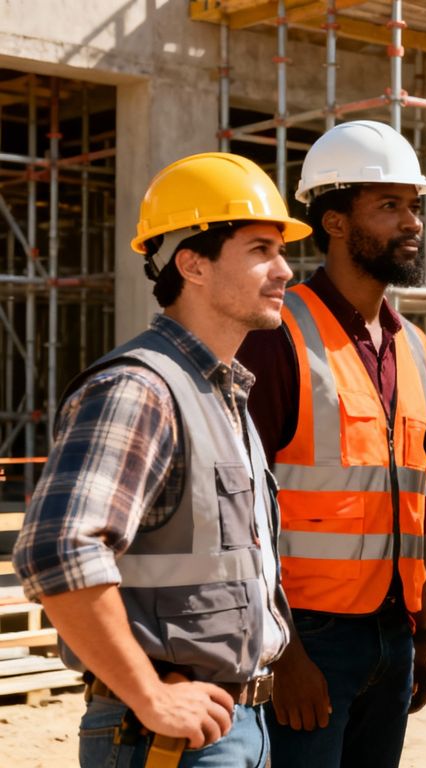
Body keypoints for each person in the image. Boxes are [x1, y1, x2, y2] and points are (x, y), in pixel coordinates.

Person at [13, 152, 310, 767]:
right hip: (165, 737)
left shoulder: (222, 394)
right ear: (193, 264)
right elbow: (58, 549)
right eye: (260, 249)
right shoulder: (141, 388)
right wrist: (148, 694)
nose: (284, 269)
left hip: (232, 726)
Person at [235, 120, 426, 768]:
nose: (412, 222)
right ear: (335, 221)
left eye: (413, 206)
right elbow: (240, 508)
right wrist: (286, 654)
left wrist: (423, 633)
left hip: (395, 636)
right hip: (309, 643)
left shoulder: (419, 350)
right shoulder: (276, 337)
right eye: (388, 206)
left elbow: (420, 503)